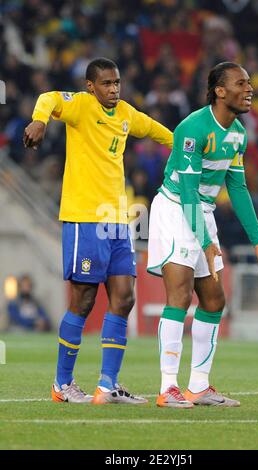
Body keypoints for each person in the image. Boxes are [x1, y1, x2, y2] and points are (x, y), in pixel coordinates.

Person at [23, 57, 173, 404]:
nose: (114, 89)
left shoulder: (124, 113)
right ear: (91, 86)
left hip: (118, 220)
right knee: (84, 299)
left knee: (124, 298)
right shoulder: (81, 106)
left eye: (117, 82)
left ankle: (107, 385)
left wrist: (183, 145)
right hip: (84, 217)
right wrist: (39, 120)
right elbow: (48, 97)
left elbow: (153, 129)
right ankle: (62, 384)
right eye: (106, 83)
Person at [147, 62, 258, 408]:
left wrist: (257, 240)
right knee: (179, 296)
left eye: (250, 82)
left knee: (214, 301)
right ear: (220, 91)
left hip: (202, 212)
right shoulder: (192, 128)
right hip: (176, 208)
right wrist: (206, 242)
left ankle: (199, 386)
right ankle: (168, 388)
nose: (249, 89)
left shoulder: (238, 132)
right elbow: (190, 192)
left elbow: (237, 187)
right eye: (241, 83)